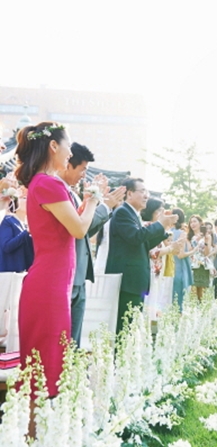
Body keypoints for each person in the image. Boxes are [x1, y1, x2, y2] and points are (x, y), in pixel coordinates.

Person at [15, 122, 100, 435]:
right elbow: (78, 228)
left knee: (49, 363)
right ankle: (30, 441)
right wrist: (93, 201)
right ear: (53, 146)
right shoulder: (47, 184)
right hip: (47, 287)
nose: (69, 152)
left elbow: (71, 224)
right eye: (67, 145)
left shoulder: (48, 183)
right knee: (42, 366)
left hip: (53, 285)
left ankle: (37, 438)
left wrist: (88, 199)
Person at [59, 142, 126, 346]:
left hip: (78, 273)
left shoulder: (72, 194)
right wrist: (103, 205)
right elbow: (78, 228)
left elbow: (85, 231)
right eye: (83, 169)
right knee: (66, 337)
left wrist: (99, 206)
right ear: (68, 164)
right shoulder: (59, 193)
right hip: (67, 273)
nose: (84, 175)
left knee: (74, 339)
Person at [105, 178, 178, 333]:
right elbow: (135, 237)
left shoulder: (133, 214)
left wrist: (163, 230)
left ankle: (124, 356)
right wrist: (160, 224)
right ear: (129, 194)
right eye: (142, 191)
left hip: (134, 281)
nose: (146, 196)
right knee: (123, 327)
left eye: (147, 192)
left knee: (129, 327)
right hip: (127, 281)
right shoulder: (123, 212)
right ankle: (119, 357)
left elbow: (141, 244)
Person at [0, 187, 34, 272]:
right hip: (8, 274)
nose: (28, 201)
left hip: (22, 274)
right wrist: (27, 232)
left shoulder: (25, 225)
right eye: (24, 198)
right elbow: (7, 246)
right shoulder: (8, 220)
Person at [171, 208, 194, 311]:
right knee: (178, 299)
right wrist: (194, 251)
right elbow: (181, 255)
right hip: (178, 268)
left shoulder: (166, 231)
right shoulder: (182, 233)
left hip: (167, 268)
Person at [188, 215, 213, 302]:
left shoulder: (208, 236)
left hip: (203, 264)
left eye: (195, 221)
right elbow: (189, 251)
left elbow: (207, 253)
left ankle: (202, 311)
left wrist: (205, 240)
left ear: (200, 223)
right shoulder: (189, 236)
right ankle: (193, 310)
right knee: (193, 289)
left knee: (202, 291)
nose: (192, 224)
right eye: (191, 222)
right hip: (192, 264)